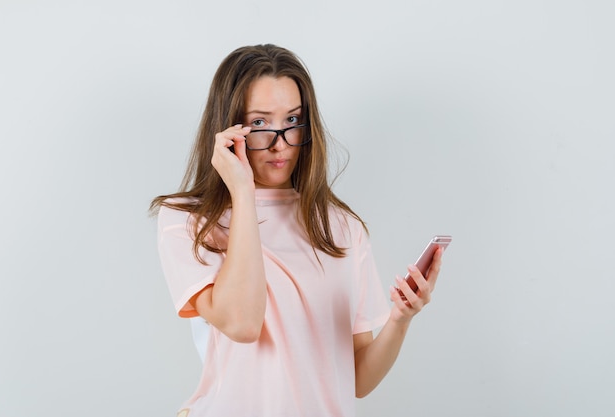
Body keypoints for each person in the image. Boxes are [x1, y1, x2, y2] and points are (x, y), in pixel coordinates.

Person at [151, 44, 444, 417]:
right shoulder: (188, 220)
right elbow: (241, 323)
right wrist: (242, 192)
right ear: (226, 128)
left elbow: (357, 380)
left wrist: (401, 319)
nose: (281, 144)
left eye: (293, 121)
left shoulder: (340, 226)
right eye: (259, 124)